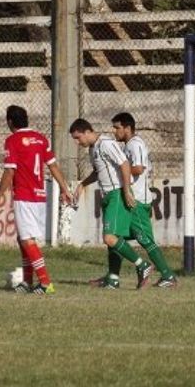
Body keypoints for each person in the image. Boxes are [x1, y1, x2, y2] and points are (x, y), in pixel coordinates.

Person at [0, 105, 73, 295]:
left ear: (10, 122)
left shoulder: (12, 140)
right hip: (40, 196)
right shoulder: (41, 139)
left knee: (27, 241)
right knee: (23, 239)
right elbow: (53, 166)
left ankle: (45, 283)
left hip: (25, 195)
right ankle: (27, 282)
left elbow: (10, 171)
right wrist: (65, 189)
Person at [91, 112, 177, 288]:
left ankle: (168, 276)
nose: (115, 132)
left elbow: (138, 168)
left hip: (137, 199)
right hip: (129, 198)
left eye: (117, 128)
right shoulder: (127, 145)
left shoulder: (135, 145)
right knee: (114, 236)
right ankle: (113, 277)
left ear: (127, 128)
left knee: (145, 239)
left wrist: (120, 167)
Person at [69, 118, 153, 289]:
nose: (78, 142)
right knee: (114, 239)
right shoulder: (94, 149)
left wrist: (127, 190)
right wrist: (82, 183)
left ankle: (142, 265)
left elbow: (124, 164)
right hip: (107, 195)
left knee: (109, 238)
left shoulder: (106, 143)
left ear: (87, 131)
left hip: (115, 194)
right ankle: (113, 278)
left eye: (78, 138)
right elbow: (98, 171)